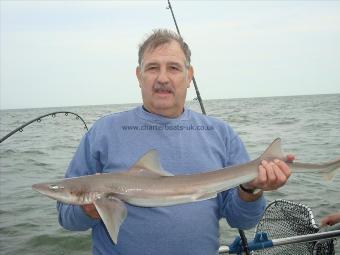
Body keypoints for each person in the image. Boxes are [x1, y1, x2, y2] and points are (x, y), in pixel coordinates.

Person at [57, 29, 292, 255]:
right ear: (138, 76)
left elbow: (242, 220)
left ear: (189, 76)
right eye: (152, 68)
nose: (162, 78)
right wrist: (89, 210)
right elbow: (66, 217)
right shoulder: (103, 133)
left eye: (173, 68)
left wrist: (250, 189)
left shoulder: (221, 134)